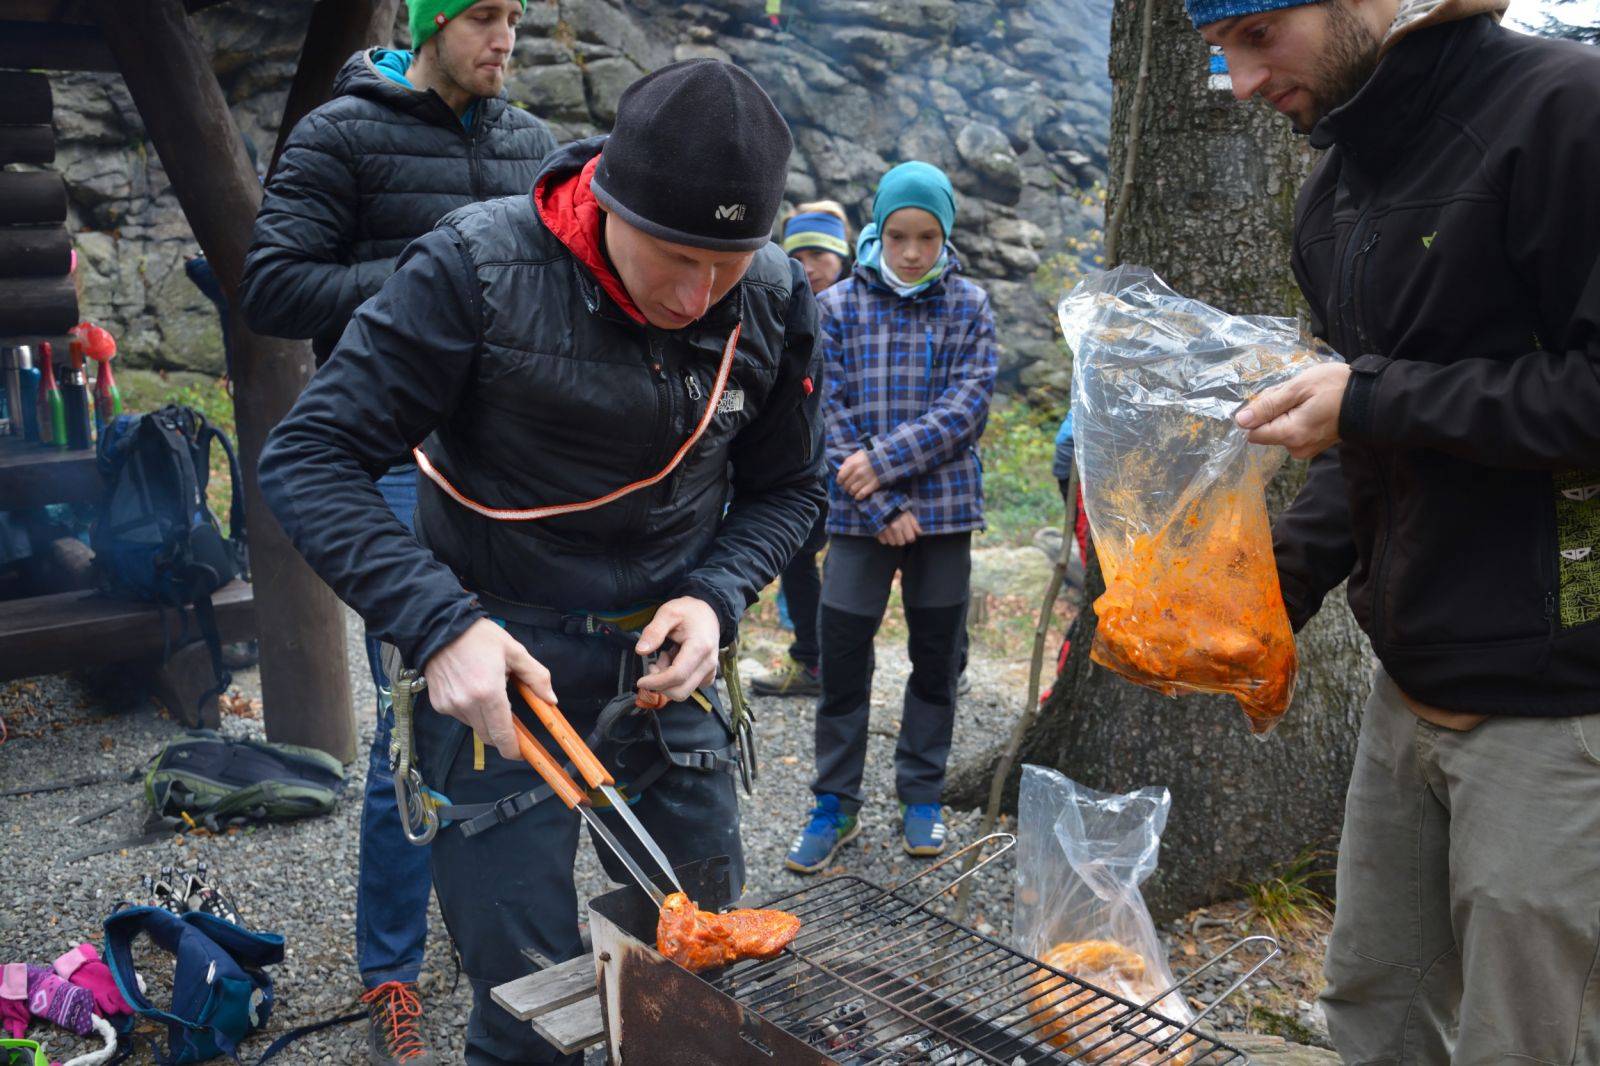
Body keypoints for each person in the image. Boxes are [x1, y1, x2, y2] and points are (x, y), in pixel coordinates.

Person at [258, 60, 823, 1064]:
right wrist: (439, 624)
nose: (697, 297)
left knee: (689, 970)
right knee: (528, 995)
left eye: (725, 267)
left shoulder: (772, 295)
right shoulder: (475, 268)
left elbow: (790, 489)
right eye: (675, 258)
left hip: (665, 662)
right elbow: (309, 457)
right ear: (608, 200)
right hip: (496, 660)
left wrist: (715, 592)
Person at [1196, 0, 1600, 1059]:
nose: (1240, 83)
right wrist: (1271, 591)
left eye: (1255, 35)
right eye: (1217, 53)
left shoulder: (1565, 111)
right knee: (1376, 1006)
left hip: (1561, 694)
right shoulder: (1334, 185)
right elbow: (1368, 435)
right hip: (1407, 678)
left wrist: (1369, 400)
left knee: (1526, 1036)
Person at [238, 3, 555, 1061]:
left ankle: (502, 946)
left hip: (507, 462)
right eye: (483, 15)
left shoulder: (528, 143)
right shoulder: (342, 132)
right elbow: (272, 286)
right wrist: (437, 274)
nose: (505, 37)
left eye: (516, 15)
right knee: (418, 710)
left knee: (516, 695)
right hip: (379, 455)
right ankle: (391, 971)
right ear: (427, 23)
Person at [786, 161, 998, 874]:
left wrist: (883, 465)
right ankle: (834, 802)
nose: (912, 252)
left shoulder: (969, 305)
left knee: (937, 661)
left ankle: (921, 793)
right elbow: (824, 407)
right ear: (879, 230)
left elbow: (967, 408)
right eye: (900, 235)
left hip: (944, 519)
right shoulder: (838, 306)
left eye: (928, 237)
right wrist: (876, 498)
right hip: (856, 519)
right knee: (842, 656)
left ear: (946, 237)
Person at [752, 201, 852, 699]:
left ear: (842, 256)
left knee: (848, 563)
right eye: (799, 254)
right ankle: (811, 659)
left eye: (820, 254)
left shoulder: (857, 309)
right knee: (798, 557)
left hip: (854, 462)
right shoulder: (778, 303)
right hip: (801, 457)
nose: (809, 266)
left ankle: (840, 659)